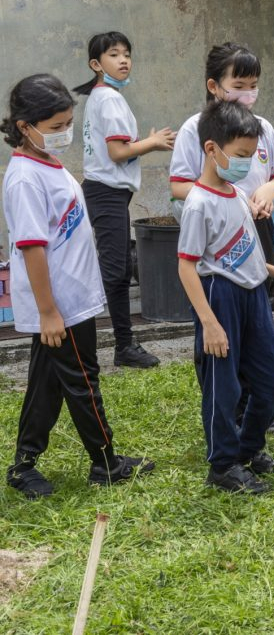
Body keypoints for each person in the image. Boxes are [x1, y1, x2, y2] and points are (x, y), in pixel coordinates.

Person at [2, 74, 155, 499]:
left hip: (71, 300)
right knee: (84, 381)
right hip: (61, 306)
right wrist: (49, 311)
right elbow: (32, 249)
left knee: (46, 383)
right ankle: (106, 463)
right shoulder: (24, 178)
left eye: (68, 124)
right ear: (24, 128)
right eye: (54, 128)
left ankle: (23, 465)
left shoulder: (47, 165)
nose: (64, 134)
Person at [176, 101, 274, 494]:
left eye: (252, 156)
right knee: (224, 388)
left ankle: (249, 450)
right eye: (241, 155)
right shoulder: (198, 204)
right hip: (220, 299)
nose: (248, 165)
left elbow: (242, 247)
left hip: (253, 295)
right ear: (212, 149)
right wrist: (210, 323)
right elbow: (188, 267)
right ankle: (223, 467)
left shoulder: (234, 193)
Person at [74, 31, 177, 368]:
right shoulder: (109, 99)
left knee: (113, 270)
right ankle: (120, 346)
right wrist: (155, 142)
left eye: (127, 54)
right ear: (96, 64)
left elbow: (119, 150)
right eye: (114, 54)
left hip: (107, 193)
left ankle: (118, 346)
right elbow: (118, 152)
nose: (123, 60)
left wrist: (143, 143)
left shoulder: (102, 97)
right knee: (114, 272)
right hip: (106, 193)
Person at [169, 42, 274, 265]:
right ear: (213, 86)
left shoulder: (263, 128)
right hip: (217, 227)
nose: (248, 94)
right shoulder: (193, 129)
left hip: (259, 224)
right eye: (239, 86)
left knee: (261, 283)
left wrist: (270, 188)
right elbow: (179, 186)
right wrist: (235, 201)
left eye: (253, 86)